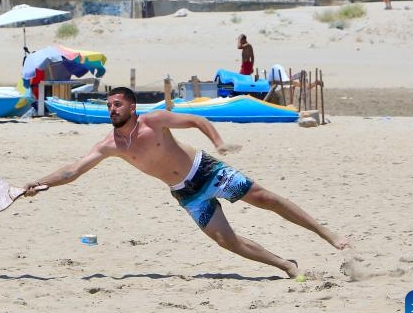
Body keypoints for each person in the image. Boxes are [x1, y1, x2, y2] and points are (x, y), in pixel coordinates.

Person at [22, 87, 348, 277]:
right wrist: (38, 182)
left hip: (206, 170)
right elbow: (73, 170)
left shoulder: (154, 121)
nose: (112, 109)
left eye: (117, 104)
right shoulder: (111, 145)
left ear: (131, 106)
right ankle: (286, 266)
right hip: (186, 193)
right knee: (225, 240)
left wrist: (218, 142)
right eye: (108, 105)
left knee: (266, 199)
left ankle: (326, 233)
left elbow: (196, 119)